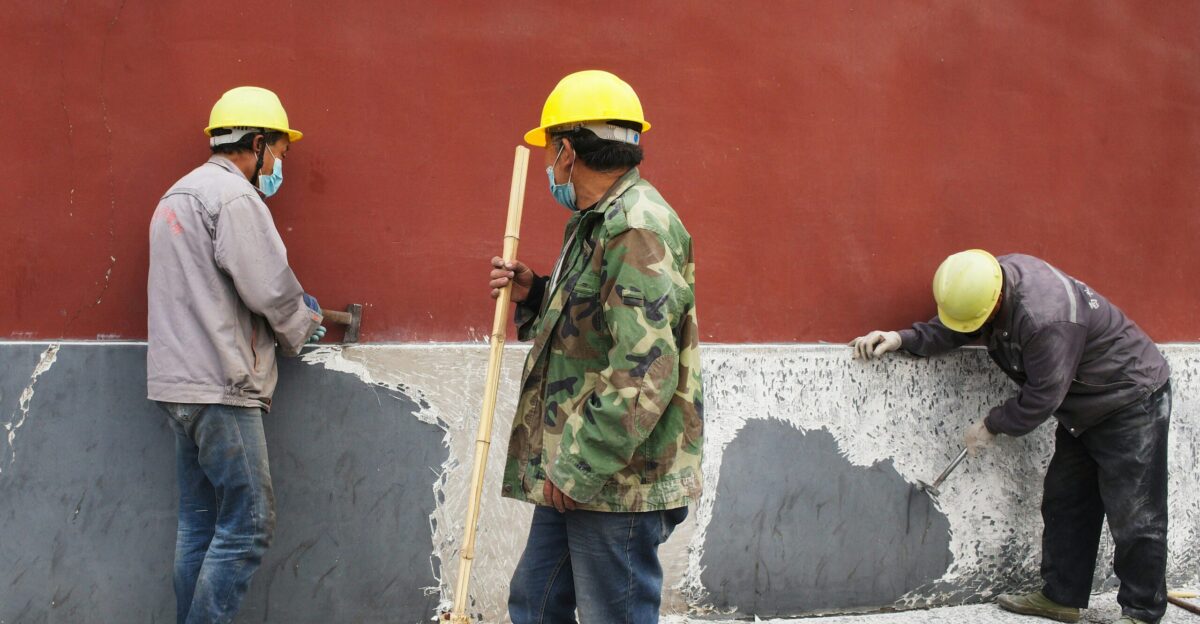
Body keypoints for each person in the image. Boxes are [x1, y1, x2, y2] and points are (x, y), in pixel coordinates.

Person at [487, 70, 704, 623]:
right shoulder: (595, 222)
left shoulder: (635, 226)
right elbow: (593, 329)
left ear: (565, 151)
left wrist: (579, 466)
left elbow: (643, 372)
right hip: (578, 469)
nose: (548, 166)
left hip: (613, 480)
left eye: (549, 152)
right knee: (535, 605)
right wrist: (534, 291)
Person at [851, 250, 1170, 624]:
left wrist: (991, 425)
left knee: (1134, 512)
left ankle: (1142, 612)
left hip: (1129, 399)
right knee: (1066, 502)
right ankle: (1061, 598)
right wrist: (901, 338)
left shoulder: (1046, 318)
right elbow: (960, 325)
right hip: (1083, 406)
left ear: (997, 300)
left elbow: (1042, 397)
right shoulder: (985, 280)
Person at [147, 85, 324, 623]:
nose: (278, 167)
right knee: (248, 525)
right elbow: (269, 286)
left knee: (199, 526)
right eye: (279, 153)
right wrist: (304, 322)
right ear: (257, 143)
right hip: (221, 388)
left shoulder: (175, 195)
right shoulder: (236, 198)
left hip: (176, 386)